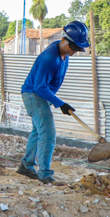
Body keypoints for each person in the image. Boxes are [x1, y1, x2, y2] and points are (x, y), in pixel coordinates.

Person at [18, 21, 89, 184]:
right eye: (74, 47)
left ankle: (26, 166)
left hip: (40, 95)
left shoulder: (64, 54)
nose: (75, 51)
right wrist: (60, 104)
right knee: (48, 134)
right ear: (64, 40)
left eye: (78, 48)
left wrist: (55, 101)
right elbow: (39, 87)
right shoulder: (49, 58)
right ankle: (45, 174)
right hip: (34, 95)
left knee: (38, 132)